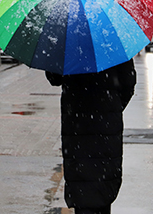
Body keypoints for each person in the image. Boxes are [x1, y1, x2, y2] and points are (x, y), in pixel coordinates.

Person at [45, 59, 137, 214]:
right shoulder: (112, 42)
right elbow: (128, 83)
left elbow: (54, 77)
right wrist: (111, 108)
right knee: (103, 188)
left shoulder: (67, 43)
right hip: (105, 128)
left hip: (76, 125)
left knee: (82, 186)